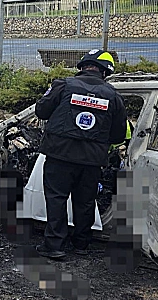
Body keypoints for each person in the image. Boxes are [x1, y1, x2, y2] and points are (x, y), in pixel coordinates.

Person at [34, 50, 127, 259]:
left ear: (83, 66)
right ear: (105, 71)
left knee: (56, 198)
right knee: (85, 201)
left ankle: (54, 246)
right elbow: (119, 134)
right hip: (92, 160)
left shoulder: (63, 85)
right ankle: (81, 244)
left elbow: (41, 110)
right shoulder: (113, 95)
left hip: (60, 155)